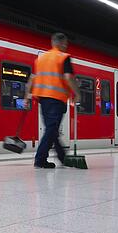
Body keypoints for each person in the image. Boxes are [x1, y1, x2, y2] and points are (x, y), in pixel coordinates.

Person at [24, 33, 81, 169]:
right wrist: (77, 93)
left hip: (43, 99)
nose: (66, 46)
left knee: (52, 129)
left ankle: (62, 156)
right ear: (61, 43)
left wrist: (27, 96)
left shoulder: (41, 58)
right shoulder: (63, 57)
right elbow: (68, 77)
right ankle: (40, 160)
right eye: (65, 43)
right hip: (56, 99)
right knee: (51, 129)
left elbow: (32, 79)